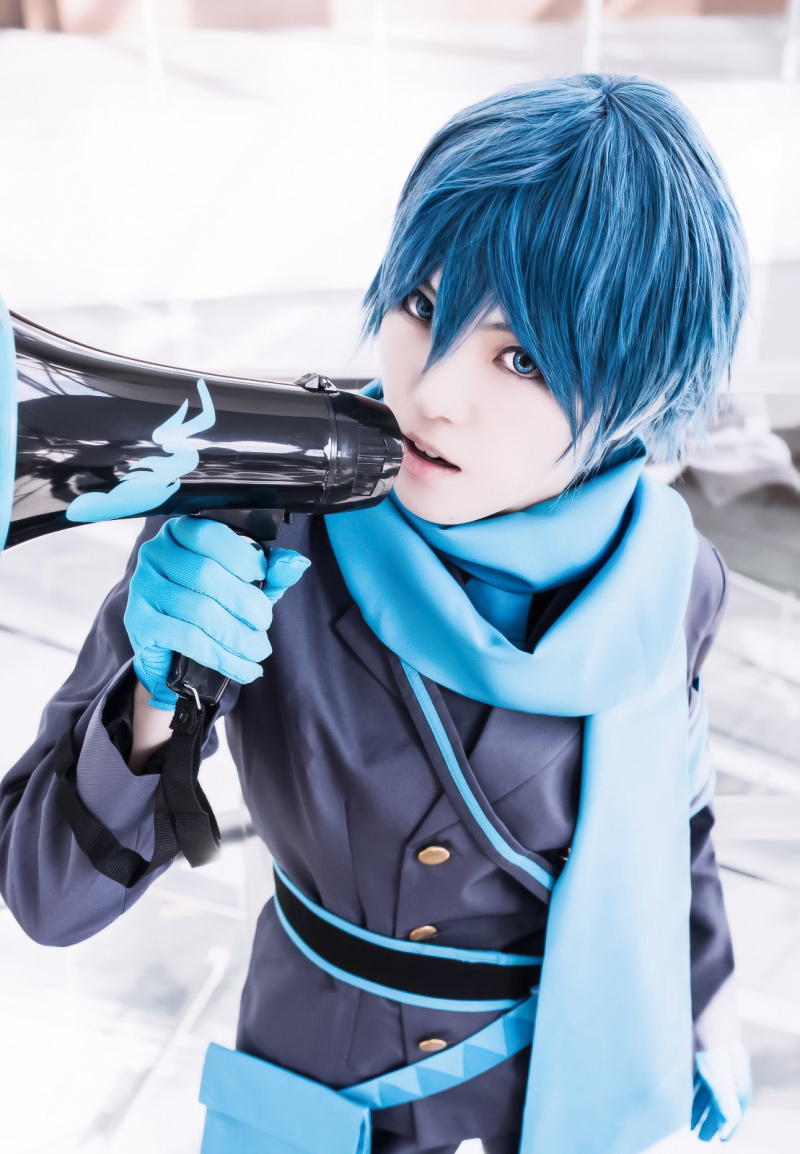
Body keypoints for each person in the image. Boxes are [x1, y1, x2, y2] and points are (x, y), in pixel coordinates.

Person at [0, 74, 752, 1153]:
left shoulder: (670, 575)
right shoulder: (260, 518)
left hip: (566, 1097)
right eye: (422, 307)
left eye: (522, 357)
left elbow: (677, 822)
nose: (432, 392)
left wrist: (708, 1014)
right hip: (317, 1098)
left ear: (644, 389)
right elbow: (47, 896)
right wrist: (156, 696)